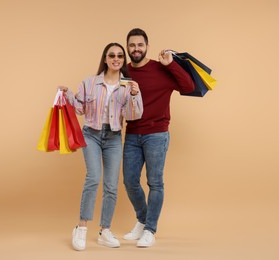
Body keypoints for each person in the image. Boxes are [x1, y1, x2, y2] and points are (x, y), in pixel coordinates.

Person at [63, 42, 143, 251]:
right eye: (112, 55)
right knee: (93, 178)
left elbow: (134, 116)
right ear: (105, 59)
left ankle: (104, 230)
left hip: (114, 137)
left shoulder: (128, 86)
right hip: (91, 134)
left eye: (119, 56)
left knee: (111, 185)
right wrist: (68, 95)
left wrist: (135, 95)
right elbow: (79, 109)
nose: (116, 59)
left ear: (123, 60)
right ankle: (80, 228)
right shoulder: (89, 83)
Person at [122, 28, 195, 247]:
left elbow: (189, 87)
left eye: (140, 45)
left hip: (157, 134)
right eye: (132, 45)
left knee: (155, 182)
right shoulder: (124, 71)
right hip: (132, 134)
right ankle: (143, 220)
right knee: (130, 181)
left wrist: (171, 64)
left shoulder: (160, 68)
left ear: (147, 46)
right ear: (127, 48)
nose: (136, 49)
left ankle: (150, 230)